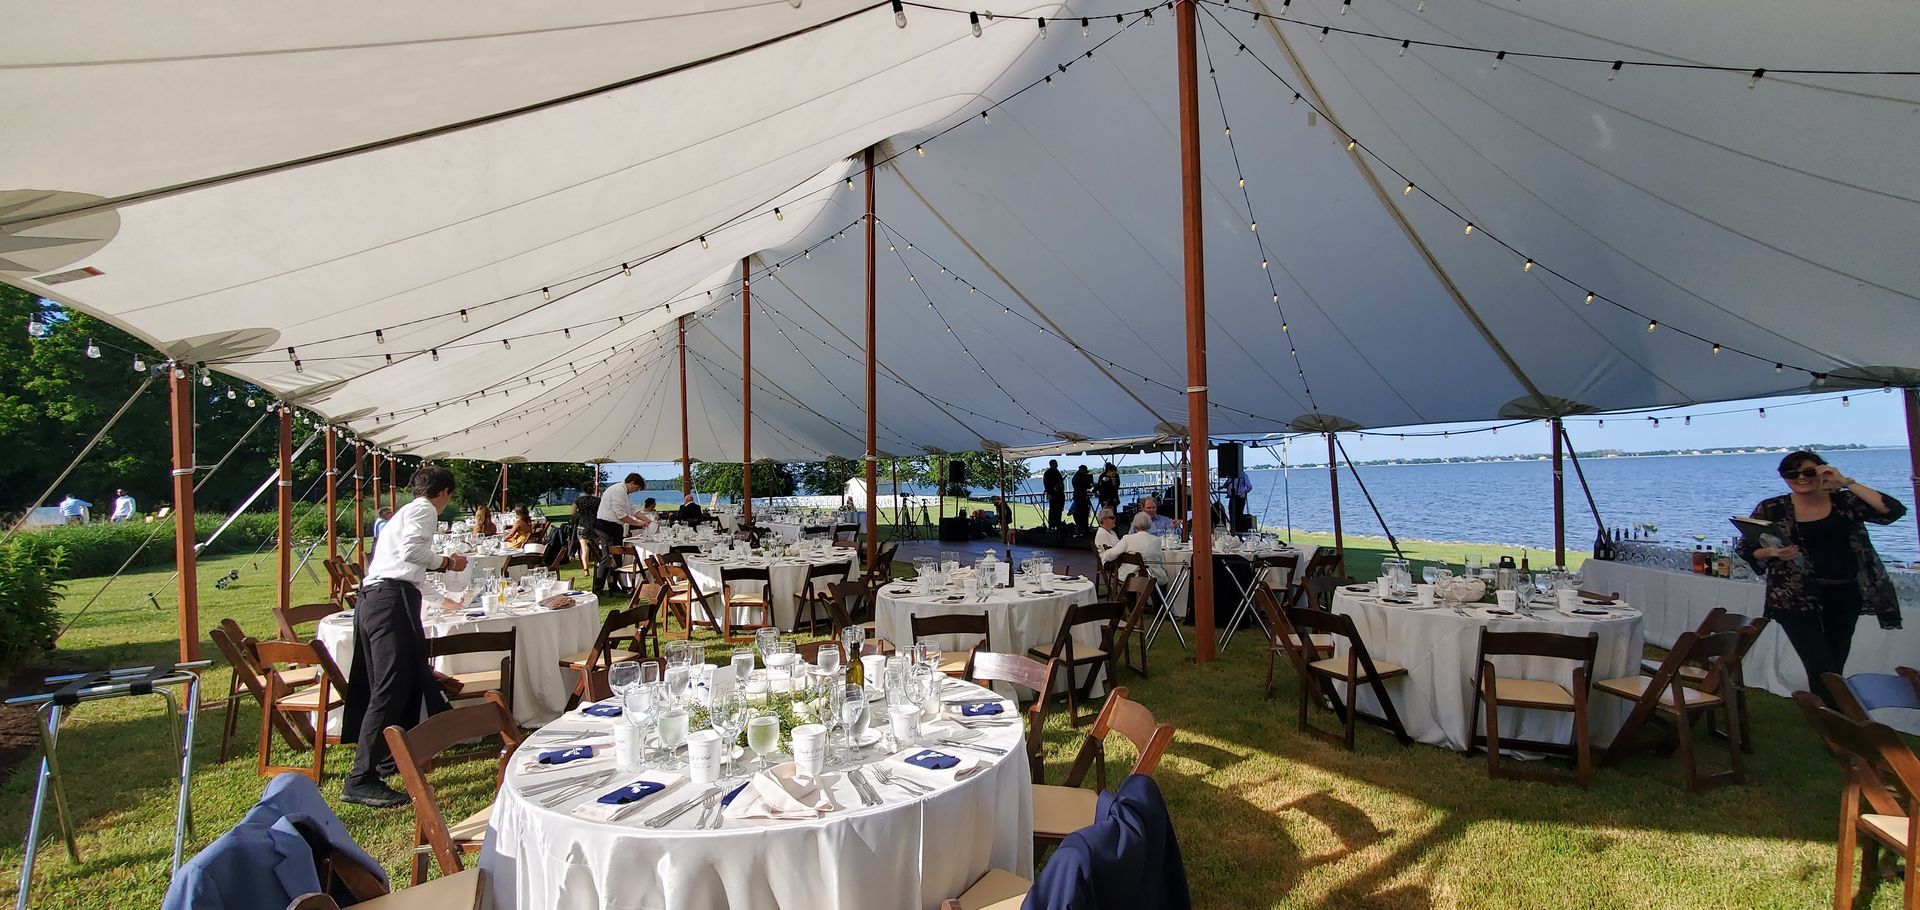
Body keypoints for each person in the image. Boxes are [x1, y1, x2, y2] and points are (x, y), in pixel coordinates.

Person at [341, 464, 466, 808]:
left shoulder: (405, 513)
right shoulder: (425, 510)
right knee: (390, 685)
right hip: (388, 601)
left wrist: (446, 600)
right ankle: (360, 777)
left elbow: (409, 571)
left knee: (402, 681)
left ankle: (387, 757)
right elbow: (413, 555)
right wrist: (448, 562)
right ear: (444, 492)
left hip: (382, 597)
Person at [1738, 451, 1905, 708]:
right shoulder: (1772, 507)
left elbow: (1892, 511)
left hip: (1844, 593)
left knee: (1835, 664)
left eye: (1808, 472)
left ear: (1823, 471)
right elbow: (1748, 549)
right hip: (1794, 597)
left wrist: (1846, 482)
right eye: (1792, 474)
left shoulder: (1844, 502)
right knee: (1820, 666)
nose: (1801, 478)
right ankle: (1839, 729)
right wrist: (1773, 552)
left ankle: (1832, 722)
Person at [594, 473, 648, 594]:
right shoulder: (618, 491)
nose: (636, 491)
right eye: (636, 488)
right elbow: (621, 514)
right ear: (632, 483)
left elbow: (632, 509)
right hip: (606, 526)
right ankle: (599, 587)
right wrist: (638, 523)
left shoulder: (624, 492)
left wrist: (645, 519)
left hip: (613, 526)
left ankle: (614, 586)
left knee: (617, 557)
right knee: (608, 556)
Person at [1101, 512, 1167, 584]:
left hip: (1130, 578)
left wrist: (1105, 554)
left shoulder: (1127, 539)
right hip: (1153, 578)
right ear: (1149, 525)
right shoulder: (1157, 540)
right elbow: (1161, 561)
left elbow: (1110, 556)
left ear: (1134, 526)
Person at [1043, 459, 1066, 531]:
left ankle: (1058, 525)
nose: (1056, 465)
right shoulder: (1048, 473)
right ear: (1051, 464)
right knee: (1053, 511)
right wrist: (1050, 492)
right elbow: (1046, 484)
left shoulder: (1057, 472)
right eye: (1055, 463)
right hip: (1053, 494)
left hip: (1060, 494)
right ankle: (1052, 526)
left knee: (1059, 510)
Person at [1070, 466, 1093, 535]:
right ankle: (1083, 528)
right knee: (1083, 514)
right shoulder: (1079, 478)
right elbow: (1085, 486)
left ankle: (1082, 528)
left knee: (1082, 514)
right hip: (1080, 497)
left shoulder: (1076, 477)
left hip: (1079, 497)